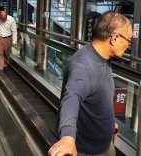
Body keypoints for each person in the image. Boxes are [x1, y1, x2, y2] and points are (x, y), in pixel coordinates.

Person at [48, 11, 132, 156]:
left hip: (104, 144)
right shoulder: (84, 66)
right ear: (114, 38)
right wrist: (68, 139)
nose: (129, 45)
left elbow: (100, 96)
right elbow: (72, 97)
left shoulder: (103, 58)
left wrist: (110, 123)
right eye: (128, 40)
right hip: (87, 151)